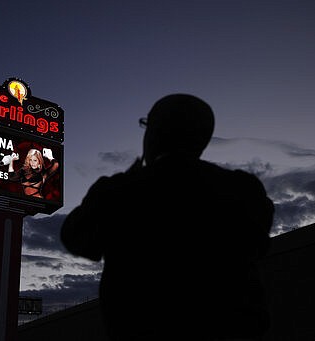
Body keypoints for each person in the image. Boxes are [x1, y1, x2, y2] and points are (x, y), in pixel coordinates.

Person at [60, 94, 275, 340]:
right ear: (202, 137)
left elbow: (74, 236)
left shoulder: (120, 191)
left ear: (153, 133)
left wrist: (120, 185)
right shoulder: (243, 189)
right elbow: (258, 245)